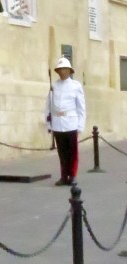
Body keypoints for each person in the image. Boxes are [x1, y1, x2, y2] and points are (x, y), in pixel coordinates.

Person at [44, 56, 86, 185]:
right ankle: (64, 175)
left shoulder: (76, 86)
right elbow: (48, 106)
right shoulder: (54, 86)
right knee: (62, 152)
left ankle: (72, 175)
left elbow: (81, 107)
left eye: (64, 69)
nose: (62, 72)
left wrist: (80, 125)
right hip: (57, 123)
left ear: (69, 71)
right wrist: (49, 124)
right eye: (60, 69)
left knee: (72, 152)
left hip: (71, 122)